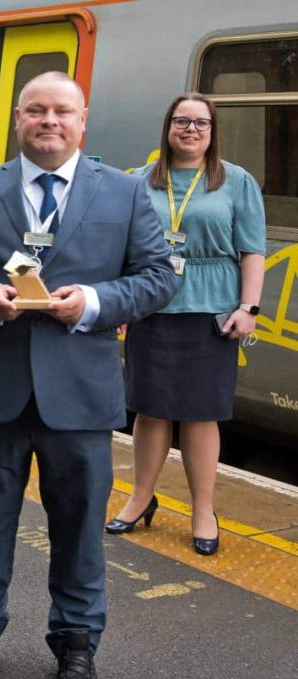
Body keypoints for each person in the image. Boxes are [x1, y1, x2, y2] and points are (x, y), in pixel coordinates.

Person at [0, 72, 178, 679]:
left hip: (81, 397)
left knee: (81, 529)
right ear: (17, 119)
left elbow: (157, 278)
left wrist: (92, 300)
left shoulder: (124, 193)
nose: (50, 121)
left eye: (62, 111)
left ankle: (76, 645)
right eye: (37, 110)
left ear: (82, 120)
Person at [106, 93, 265, 555]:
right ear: (168, 127)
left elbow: (252, 250)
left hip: (211, 313)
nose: (191, 129)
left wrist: (249, 310)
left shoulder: (235, 181)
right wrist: (120, 302)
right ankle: (140, 496)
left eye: (201, 122)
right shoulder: (139, 180)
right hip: (150, 306)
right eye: (182, 121)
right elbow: (123, 246)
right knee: (150, 409)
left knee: (200, 414)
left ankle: (202, 510)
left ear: (213, 131)